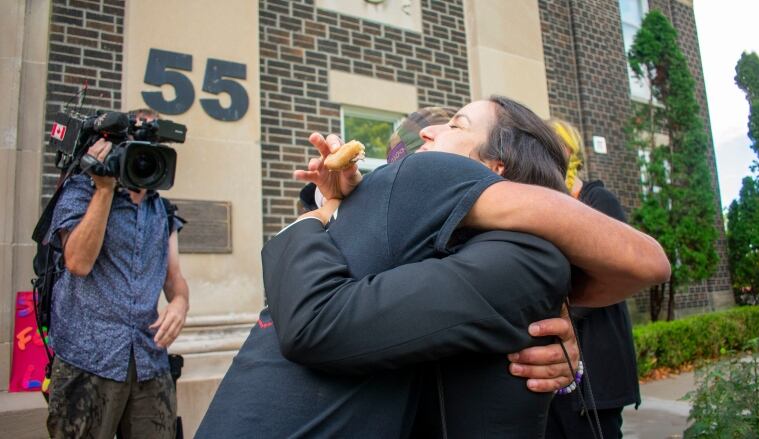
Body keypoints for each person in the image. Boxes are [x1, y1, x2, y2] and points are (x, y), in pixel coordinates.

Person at [196, 97, 669, 437]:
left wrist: (306, 223)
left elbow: (648, 260)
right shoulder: (438, 243)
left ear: (495, 170)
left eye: (457, 125)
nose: (428, 131)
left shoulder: (442, 188)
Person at [45, 108, 189, 438]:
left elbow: (174, 277)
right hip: (88, 359)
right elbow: (78, 262)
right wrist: (104, 189)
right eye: (138, 148)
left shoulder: (161, 209)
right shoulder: (81, 191)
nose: (144, 159)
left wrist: (179, 304)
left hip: (149, 361)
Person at [544, 119, 640, 439]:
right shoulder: (545, 206)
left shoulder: (598, 202)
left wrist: (555, 311)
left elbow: (611, 272)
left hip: (596, 367)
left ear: (566, 152)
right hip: (558, 370)